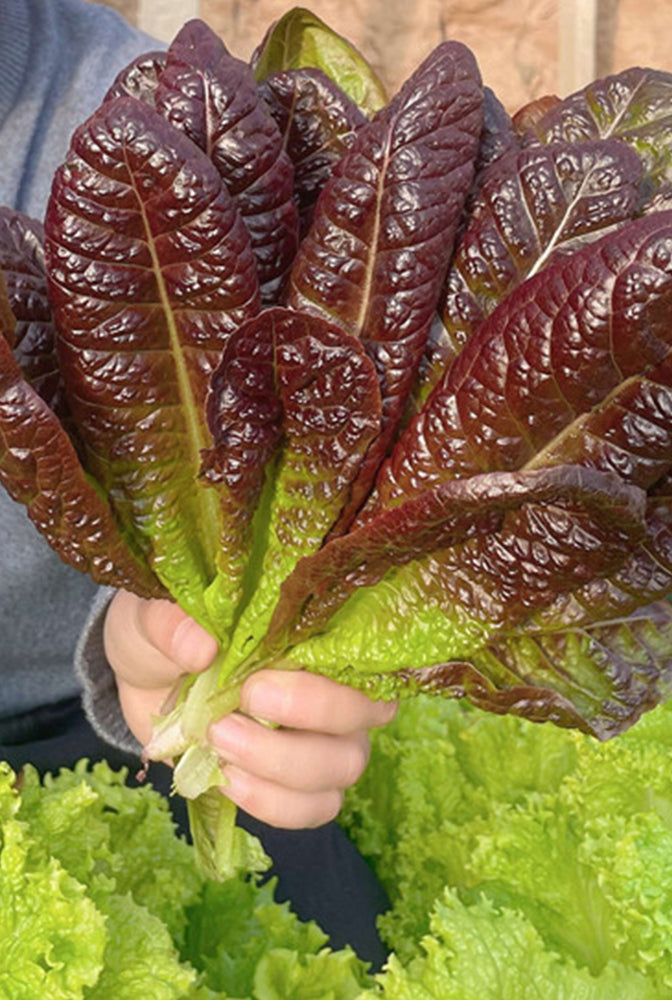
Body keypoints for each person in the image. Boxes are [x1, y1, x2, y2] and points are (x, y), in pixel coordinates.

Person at [0, 0, 393, 967]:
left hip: (97, 716)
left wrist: (156, 634)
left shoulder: (146, 111)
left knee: (337, 948)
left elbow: (280, 411)